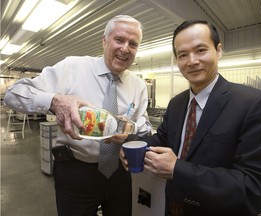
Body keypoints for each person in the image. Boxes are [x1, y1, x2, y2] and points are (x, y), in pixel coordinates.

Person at [121, 20, 261, 215]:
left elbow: (259, 188)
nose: (192, 61)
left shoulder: (253, 104)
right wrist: (132, 144)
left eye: (200, 50)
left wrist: (177, 170)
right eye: (182, 55)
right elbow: (163, 139)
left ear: (219, 50)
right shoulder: (177, 103)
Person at [4, 15, 152, 216]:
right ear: (104, 40)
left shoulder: (138, 85)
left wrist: (132, 129)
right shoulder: (73, 67)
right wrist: (55, 101)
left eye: (133, 44)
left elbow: (145, 126)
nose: (125, 48)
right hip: (76, 171)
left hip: (120, 173)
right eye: (119, 40)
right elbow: (13, 95)